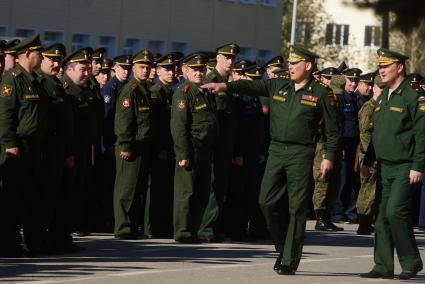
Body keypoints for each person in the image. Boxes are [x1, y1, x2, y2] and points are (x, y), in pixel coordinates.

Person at [202, 45, 340, 275]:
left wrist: (329, 157)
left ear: (308, 66)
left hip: (301, 152)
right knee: (266, 201)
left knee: (297, 208)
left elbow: (333, 130)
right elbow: (250, 85)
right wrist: (224, 85)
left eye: (295, 63)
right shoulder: (278, 84)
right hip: (276, 150)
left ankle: (289, 258)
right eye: (290, 63)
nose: (290, 66)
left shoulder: (321, 93)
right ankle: (283, 244)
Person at [360, 48, 425, 280]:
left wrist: (418, 165)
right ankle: (383, 266)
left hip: (405, 166)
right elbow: (378, 133)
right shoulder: (383, 96)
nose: (382, 70)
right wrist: (368, 159)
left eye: (386, 66)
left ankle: (412, 261)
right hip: (385, 166)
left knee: (395, 211)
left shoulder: (413, 95)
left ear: (400, 67)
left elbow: (422, 133)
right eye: (380, 66)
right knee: (381, 217)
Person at [0, 34, 48, 257]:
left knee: (28, 196)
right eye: (39, 53)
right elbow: (6, 114)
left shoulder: (34, 79)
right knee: (13, 197)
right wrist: (10, 143)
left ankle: (23, 241)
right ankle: (8, 242)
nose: (41, 57)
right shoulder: (13, 79)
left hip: (33, 146)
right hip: (18, 146)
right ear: (28, 54)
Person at [35, 43, 83, 253]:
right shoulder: (40, 84)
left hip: (61, 150)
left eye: (58, 60)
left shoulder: (56, 84)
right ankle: (38, 239)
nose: (55, 64)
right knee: (43, 198)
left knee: (58, 197)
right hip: (48, 149)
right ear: (42, 60)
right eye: (51, 59)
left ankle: (56, 238)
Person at [171, 53, 218, 243]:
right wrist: (182, 153)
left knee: (201, 191)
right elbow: (179, 126)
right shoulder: (183, 93)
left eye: (201, 69)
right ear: (185, 71)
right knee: (186, 192)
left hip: (205, 150)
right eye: (194, 69)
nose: (199, 73)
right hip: (191, 150)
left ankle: (195, 229)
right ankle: (182, 232)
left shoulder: (205, 92)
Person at [199, 43, 240, 242]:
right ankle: (205, 227)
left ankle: (214, 225)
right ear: (218, 58)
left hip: (226, 142)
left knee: (221, 186)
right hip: (214, 143)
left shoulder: (226, 82)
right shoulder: (210, 80)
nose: (230, 61)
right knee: (212, 185)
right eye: (227, 57)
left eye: (233, 58)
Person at [113, 49, 155, 239]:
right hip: (131, 146)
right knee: (126, 189)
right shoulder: (130, 91)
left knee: (137, 189)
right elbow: (124, 122)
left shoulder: (144, 89)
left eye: (148, 67)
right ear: (133, 69)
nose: (145, 70)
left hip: (142, 146)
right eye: (141, 67)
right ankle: (123, 227)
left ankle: (132, 226)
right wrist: (125, 145)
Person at [145, 53, 180, 238]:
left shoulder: (171, 91)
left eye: (173, 69)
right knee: (156, 188)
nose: (171, 72)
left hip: (170, 147)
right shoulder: (155, 92)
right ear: (158, 71)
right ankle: (152, 227)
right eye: (167, 69)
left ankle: (163, 225)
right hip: (160, 148)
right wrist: (160, 148)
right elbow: (156, 124)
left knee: (166, 188)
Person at [354, 75, 383, 235]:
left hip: (376, 154)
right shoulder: (369, 107)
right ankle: (363, 222)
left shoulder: (380, 106)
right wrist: (371, 156)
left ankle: (368, 220)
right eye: (381, 88)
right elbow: (365, 135)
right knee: (367, 189)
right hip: (369, 156)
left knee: (374, 190)